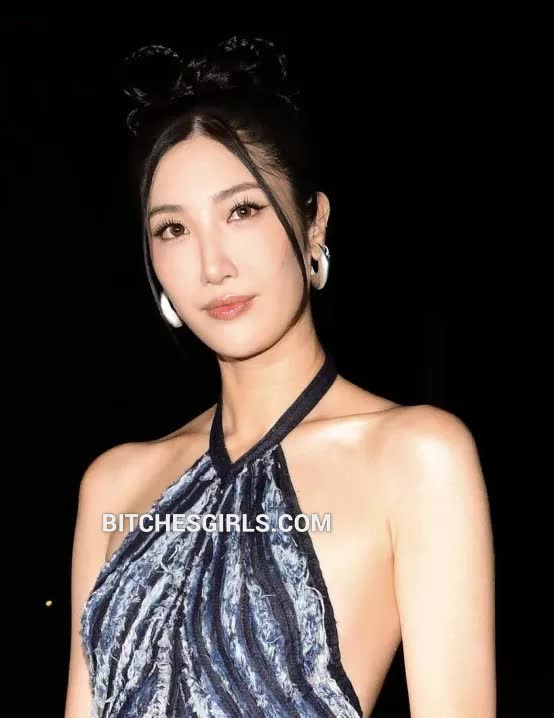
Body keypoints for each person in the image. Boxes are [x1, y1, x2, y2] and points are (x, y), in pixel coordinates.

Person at [64, 35, 496, 718]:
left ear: (313, 222)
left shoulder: (416, 456)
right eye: (172, 229)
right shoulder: (113, 484)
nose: (212, 265)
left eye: (243, 210)